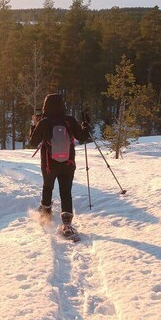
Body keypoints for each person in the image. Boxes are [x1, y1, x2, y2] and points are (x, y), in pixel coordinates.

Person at [29, 93, 91, 237]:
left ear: (45, 106)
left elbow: (33, 142)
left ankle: (46, 211)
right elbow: (82, 137)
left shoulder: (44, 122)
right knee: (65, 191)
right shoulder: (69, 120)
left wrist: (34, 124)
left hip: (49, 163)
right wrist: (86, 125)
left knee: (48, 186)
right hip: (68, 163)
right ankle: (67, 223)